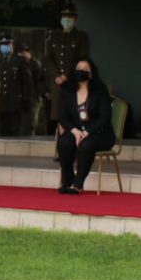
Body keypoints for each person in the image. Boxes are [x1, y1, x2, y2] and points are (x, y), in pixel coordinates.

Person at [56, 58, 114, 194]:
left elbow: (105, 117)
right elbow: (62, 117)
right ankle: (67, 181)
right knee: (64, 143)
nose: (81, 71)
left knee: (86, 145)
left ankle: (78, 184)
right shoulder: (66, 90)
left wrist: (87, 131)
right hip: (75, 131)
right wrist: (75, 131)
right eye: (78, 68)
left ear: (91, 74)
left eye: (85, 69)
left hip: (99, 133)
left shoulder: (100, 89)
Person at [45, 4, 90, 132]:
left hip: (73, 82)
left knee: (73, 115)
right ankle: (61, 146)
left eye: (69, 16)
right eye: (64, 16)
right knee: (59, 116)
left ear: (75, 19)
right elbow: (48, 58)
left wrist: (67, 75)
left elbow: (82, 58)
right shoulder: (54, 36)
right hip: (57, 83)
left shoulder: (81, 36)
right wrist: (56, 75)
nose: (66, 19)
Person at [0, 35, 33, 137]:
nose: (4, 46)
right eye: (2, 44)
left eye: (7, 44)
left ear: (12, 45)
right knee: (2, 130)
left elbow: (27, 82)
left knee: (15, 129)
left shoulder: (20, 60)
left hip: (15, 101)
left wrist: (26, 98)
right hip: (0, 101)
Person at [17, 43, 46, 136]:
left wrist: (38, 95)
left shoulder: (35, 63)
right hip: (24, 97)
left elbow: (39, 81)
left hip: (33, 98)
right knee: (24, 124)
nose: (21, 55)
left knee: (32, 123)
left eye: (23, 52)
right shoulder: (20, 63)